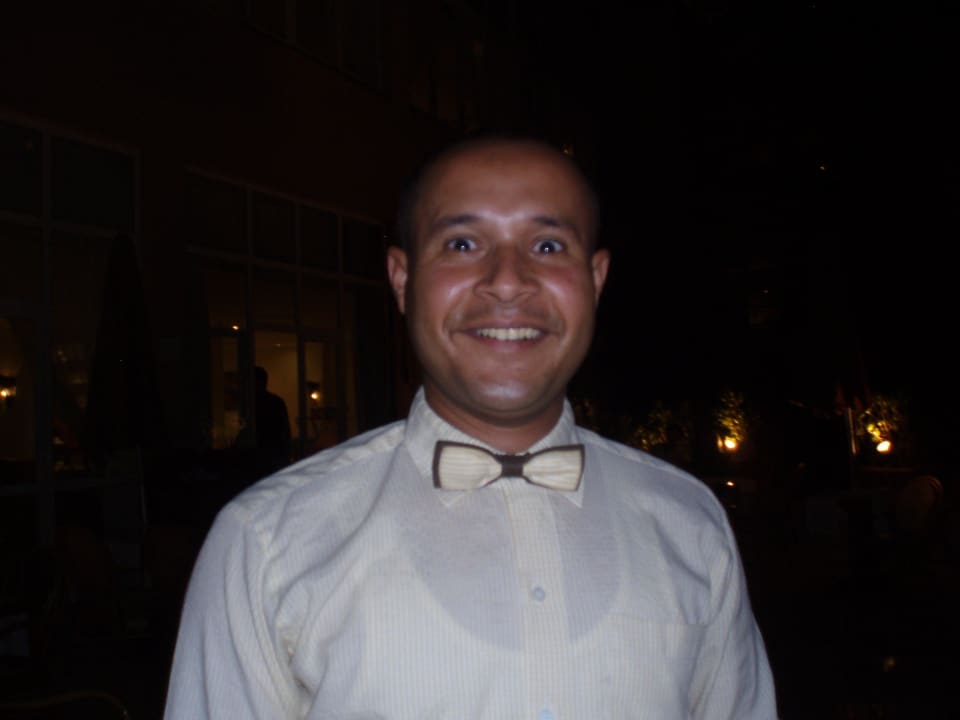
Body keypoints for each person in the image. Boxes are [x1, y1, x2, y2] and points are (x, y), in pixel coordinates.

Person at [163, 136, 778, 719]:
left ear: (595, 281)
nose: (507, 280)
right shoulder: (266, 543)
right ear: (402, 280)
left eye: (547, 246)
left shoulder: (690, 524)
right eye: (462, 243)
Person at [252, 365, 292, 475]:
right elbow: (285, 429)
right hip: (273, 452)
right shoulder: (276, 402)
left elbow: (284, 429)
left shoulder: (251, 403)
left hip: (263, 452)